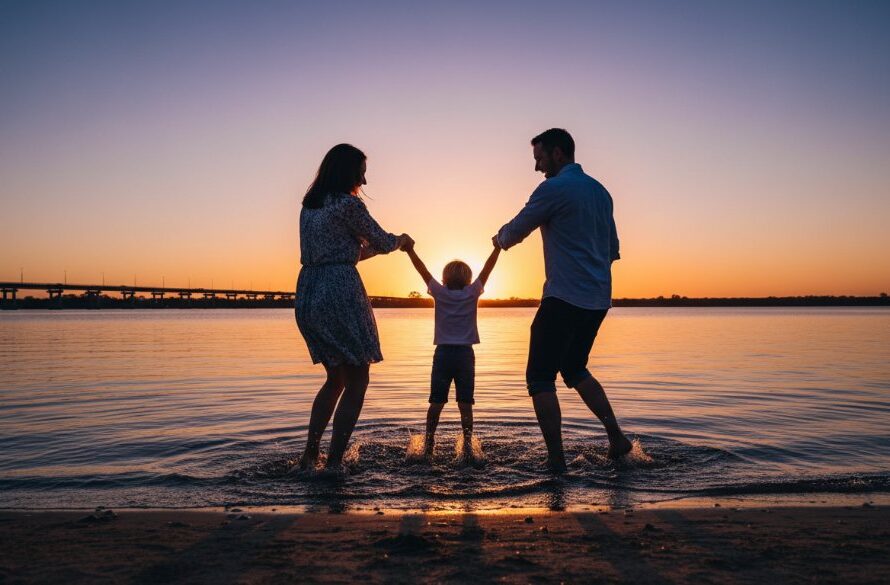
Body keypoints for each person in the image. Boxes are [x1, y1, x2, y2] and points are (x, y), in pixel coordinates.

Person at [493, 128, 632, 472]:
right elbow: (613, 250)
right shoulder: (601, 192)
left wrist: (498, 238)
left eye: (540, 158)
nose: (537, 167)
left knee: (539, 377)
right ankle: (616, 437)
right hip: (598, 300)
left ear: (557, 154)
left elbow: (515, 232)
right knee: (573, 367)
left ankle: (557, 461)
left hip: (563, 298)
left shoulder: (553, 188)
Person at [295, 143, 413, 470]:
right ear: (348, 171)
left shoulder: (310, 207)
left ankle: (309, 455)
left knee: (335, 378)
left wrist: (373, 249)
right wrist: (401, 240)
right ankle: (333, 463)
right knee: (359, 377)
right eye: (362, 171)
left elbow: (344, 250)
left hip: (309, 290)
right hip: (339, 292)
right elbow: (383, 240)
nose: (365, 179)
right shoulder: (349, 205)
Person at [404, 242, 500, 459]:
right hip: (465, 355)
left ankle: (428, 444)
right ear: (468, 279)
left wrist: (410, 250)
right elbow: (488, 268)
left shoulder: (439, 292)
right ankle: (467, 446)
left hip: (443, 354)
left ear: (444, 278)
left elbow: (422, 269)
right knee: (465, 404)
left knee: (436, 402)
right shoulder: (473, 292)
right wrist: (497, 248)